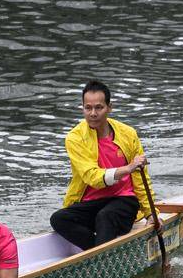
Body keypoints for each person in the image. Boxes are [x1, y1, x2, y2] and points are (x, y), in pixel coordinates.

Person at [52, 81, 151, 249]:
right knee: (58, 219)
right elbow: (93, 177)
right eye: (87, 108)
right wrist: (127, 168)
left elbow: (141, 179)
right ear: (82, 108)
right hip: (92, 201)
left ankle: (101, 256)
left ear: (109, 107)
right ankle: (100, 253)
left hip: (124, 200)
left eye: (99, 108)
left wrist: (151, 214)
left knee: (106, 216)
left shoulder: (128, 134)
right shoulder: (74, 138)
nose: (93, 113)